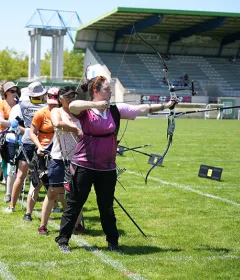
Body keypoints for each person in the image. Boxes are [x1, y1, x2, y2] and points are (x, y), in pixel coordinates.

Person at [55, 75, 177, 253]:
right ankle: (63, 240)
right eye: (106, 89)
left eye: (110, 89)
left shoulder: (115, 110)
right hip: (84, 164)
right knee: (75, 203)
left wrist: (166, 106)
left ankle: (113, 243)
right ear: (95, 92)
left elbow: (142, 109)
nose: (110, 91)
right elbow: (73, 106)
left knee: (106, 207)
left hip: (107, 167)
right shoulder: (85, 109)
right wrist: (96, 105)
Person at [38, 86, 84, 236]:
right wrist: (76, 130)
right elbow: (58, 124)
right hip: (59, 158)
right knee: (53, 193)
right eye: (68, 96)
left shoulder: (81, 112)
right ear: (61, 99)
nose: (71, 99)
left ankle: (77, 224)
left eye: (73, 96)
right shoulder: (56, 111)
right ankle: (43, 225)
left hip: (78, 159)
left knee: (75, 194)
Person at [5, 81, 46, 214]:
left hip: (27, 141)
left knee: (20, 175)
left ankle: (12, 206)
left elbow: (14, 124)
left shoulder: (22, 105)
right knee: (44, 175)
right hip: (43, 142)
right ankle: (55, 205)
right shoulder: (46, 107)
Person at [24, 87, 59, 223]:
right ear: (46, 99)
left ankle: (71, 219)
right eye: (50, 101)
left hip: (58, 153)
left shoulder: (63, 113)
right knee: (36, 184)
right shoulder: (41, 113)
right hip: (42, 153)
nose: (52, 104)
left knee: (58, 187)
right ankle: (28, 213)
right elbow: (32, 133)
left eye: (55, 102)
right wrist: (39, 147)